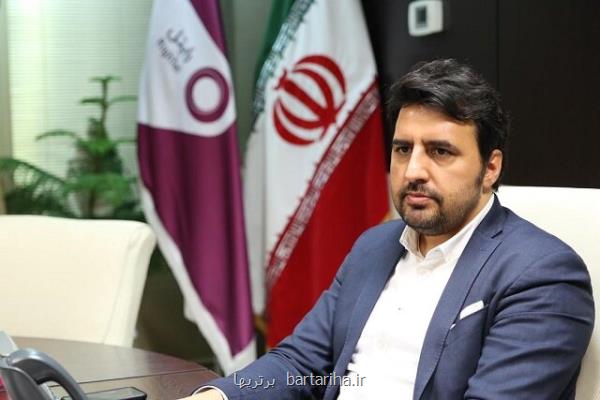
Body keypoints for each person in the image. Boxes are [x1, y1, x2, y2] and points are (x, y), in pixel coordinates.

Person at [184, 59, 594, 400]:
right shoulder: (374, 245)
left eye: (440, 151)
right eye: (403, 149)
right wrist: (217, 397)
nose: (413, 171)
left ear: (490, 168)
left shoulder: (543, 274)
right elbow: (300, 364)